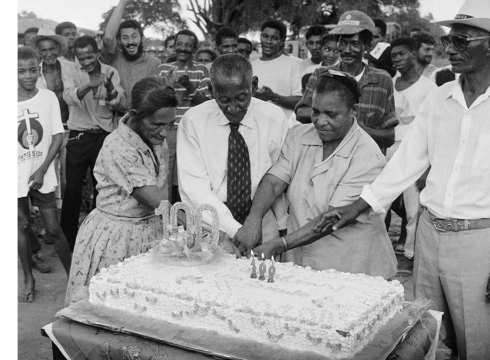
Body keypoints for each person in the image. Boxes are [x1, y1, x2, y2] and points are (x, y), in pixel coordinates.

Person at [315, 0, 490, 358]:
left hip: (479, 241)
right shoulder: (439, 99)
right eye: (449, 41)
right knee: (427, 335)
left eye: (461, 41)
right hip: (428, 234)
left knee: (476, 346)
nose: (449, 49)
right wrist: (357, 207)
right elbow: (406, 162)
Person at [233, 69, 398, 279]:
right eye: (315, 111)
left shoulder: (367, 156)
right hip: (302, 260)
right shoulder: (299, 136)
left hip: (351, 265)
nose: (320, 121)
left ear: (353, 110)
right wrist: (253, 219)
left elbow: (332, 219)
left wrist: (280, 244)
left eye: (331, 114)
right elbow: (274, 181)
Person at [64, 76, 178, 306]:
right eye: (157, 124)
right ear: (135, 114)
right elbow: (156, 200)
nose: (165, 133)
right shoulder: (118, 146)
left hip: (151, 231)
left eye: (170, 124)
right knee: (109, 310)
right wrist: (202, 226)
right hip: (117, 238)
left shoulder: (155, 137)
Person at [178, 54, 289, 244]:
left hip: (262, 217)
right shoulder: (193, 121)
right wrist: (235, 229)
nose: (233, 107)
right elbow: (194, 187)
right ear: (211, 90)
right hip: (211, 222)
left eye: (241, 97)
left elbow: (279, 177)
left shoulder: (274, 118)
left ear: (253, 86)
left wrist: (280, 224)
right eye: (224, 100)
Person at [295, 10, 397, 155]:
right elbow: (301, 112)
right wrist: (336, 117)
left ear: (368, 46)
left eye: (355, 44)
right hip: (326, 160)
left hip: (366, 164)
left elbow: (389, 137)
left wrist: (352, 126)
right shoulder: (322, 75)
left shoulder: (382, 80)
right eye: (342, 43)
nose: (347, 50)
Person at [61, 35, 125, 251]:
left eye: (89, 57)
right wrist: (90, 85)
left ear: (97, 53)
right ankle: (67, 238)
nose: (86, 62)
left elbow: (117, 103)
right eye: (81, 58)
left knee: (103, 187)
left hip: (103, 137)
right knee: (72, 189)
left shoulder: (110, 72)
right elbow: (69, 96)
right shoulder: (71, 71)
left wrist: (110, 90)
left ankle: (100, 236)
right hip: (78, 136)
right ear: (76, 57)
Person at [18, 46, 72, 302]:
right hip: (15, 175)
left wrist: (41, 169)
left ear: (39, 68)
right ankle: (29, 278)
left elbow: (58, 135)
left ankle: (75, 276)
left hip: (41, 172)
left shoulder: (48, 97)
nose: (27, 76)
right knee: (22, 225)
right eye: (20, 71)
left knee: (53, 229)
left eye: (32, 70)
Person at [388, 36, 437, 276]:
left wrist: (428, 166)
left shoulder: (428, 88)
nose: (397, 58)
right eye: (393, 55)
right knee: (379, 204)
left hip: (415, 153)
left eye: (402, 54)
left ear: (414, 54)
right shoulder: (389, 83)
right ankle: (380, 250)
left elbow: (436, 129)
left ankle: (411, 254)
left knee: (412, 209)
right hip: (388, 150)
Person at [157, 29, 211, 203]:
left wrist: (191, 89)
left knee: (186, 179)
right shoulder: (164, 69)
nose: (182, 49)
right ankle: (166, 218)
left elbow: (207, 105)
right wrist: (169, 85)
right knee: (164, 177)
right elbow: (156, 101)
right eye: (179, 44)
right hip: (168, 130)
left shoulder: (201, 71)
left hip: (191, 132)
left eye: (188, 45)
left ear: (194, 48)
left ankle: (186, 219)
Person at [28, 28, 72, 209]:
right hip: (45, 131)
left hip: (70, 126)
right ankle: (44, 215)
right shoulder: (32, 74)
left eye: (51, 48)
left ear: (58, 49)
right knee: (47, 172)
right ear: (38, 52)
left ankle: (65, 211)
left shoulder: (69, 68)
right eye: (43, 50)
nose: (48, 53)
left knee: (67, 172)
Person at [100, 0, 161, 114]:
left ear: (142, 39)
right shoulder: (112, 57)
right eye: (125, 37)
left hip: (141, 120)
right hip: (115, 121)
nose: (130, 42)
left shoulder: (154, 63)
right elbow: (108, 38)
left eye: (134, 36)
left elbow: (154, 96)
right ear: (118, 41)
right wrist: (123, 2)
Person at [251, 20, 303, 120]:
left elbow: (300, 101)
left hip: (284, 129)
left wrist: (273, 96)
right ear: (260, 37)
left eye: (274, 38)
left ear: (282, 41)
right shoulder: (251, 66)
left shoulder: (293, 65)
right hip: (255, 128)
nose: (268, 41)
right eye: (265, 36)